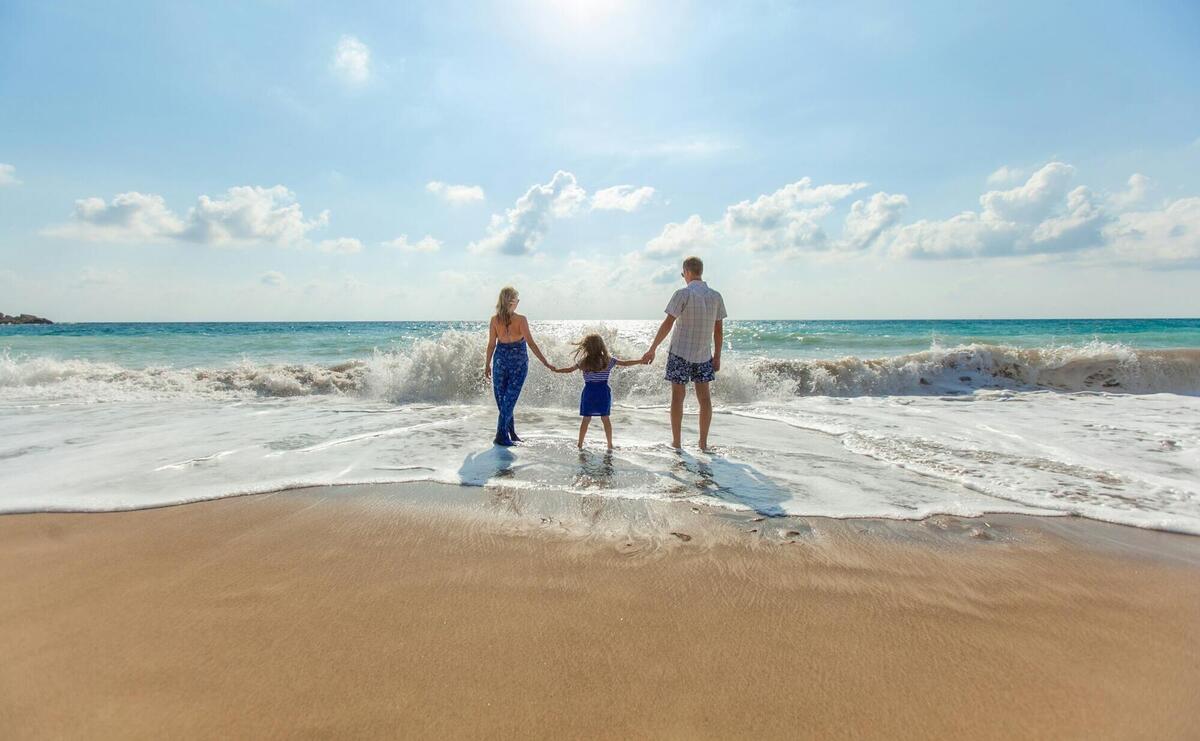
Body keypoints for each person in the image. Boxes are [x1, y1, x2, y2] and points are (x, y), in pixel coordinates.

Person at [641, 256, 727, 450]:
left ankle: (677, 443)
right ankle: (703, 444)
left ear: (687, 272)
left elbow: (668, 324)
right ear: (700, 271)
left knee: (677, 398)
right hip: (704, 355)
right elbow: (719, 331)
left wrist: (652, 348)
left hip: (680, 352)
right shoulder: (716, 296)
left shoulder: (683, 294)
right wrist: (718, 356)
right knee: (704, 399)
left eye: (683, 274)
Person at [484, 286, 553, 446]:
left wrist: (487, 364)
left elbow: (491, 345)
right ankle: (501, 436)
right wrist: (545, 362)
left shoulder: (495, 319)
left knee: (505, 400)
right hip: (517, 362)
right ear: (511, 301)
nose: (519, 302)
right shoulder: (520, 320)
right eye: (517, 299)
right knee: (507, 400)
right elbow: (531, 343)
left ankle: (511, 433)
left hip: (501, 360)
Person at [555, 334, 644, 450]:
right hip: (603, 392)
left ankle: (580, 444)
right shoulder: (608, 360)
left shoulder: (584, 362)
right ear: (601, 346)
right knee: (605, 418)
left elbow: (569, 370)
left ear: (586, 347)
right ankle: (610, 444)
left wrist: (556, 370)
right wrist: (641, 361)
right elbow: (625, 363)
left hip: (589, 393)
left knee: (586, 419)